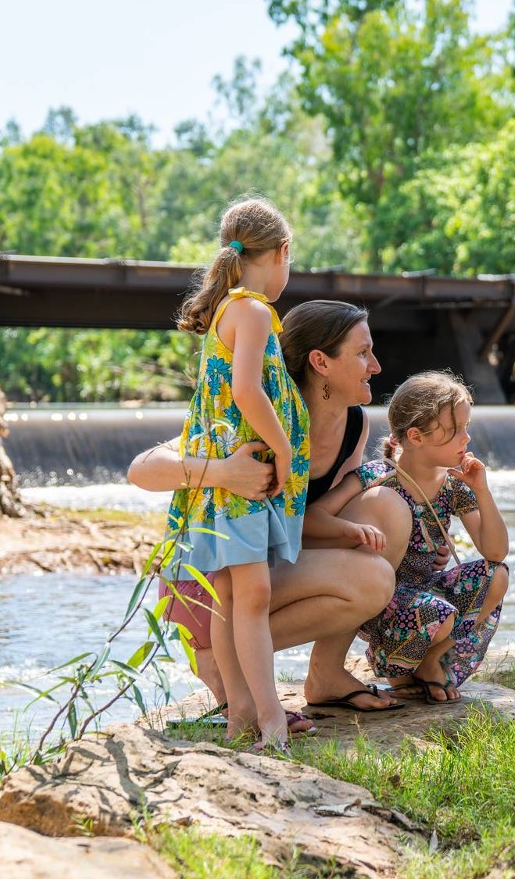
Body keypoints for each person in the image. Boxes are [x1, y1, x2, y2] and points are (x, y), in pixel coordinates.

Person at [128, 300, 406, 724]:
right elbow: (141, 470)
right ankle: (230, 672)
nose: (377, 365)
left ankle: (326, 675)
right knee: (372, 578)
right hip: (209, 587)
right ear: (321, 363)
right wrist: (223, 471)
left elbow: (310, 520)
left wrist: (360, 534)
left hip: (268, 571)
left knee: (387, 510)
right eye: (363, 352)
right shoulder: (257, 416)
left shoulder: (355, 424)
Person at [161, 196, 306, 750]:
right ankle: (271, 720)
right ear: (281, 253)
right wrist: (283, 448)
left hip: (226, 480)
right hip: (242, 477)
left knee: (230, 596)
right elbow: (245, 390)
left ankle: (240, 712)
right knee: (252, 597)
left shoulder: (230, 308)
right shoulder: (250, 310)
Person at [307, 371, 510, 704]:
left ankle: (430, 660)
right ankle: (395, 665)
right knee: (439, 613)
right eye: (456, 430)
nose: (466, 439)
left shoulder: (453, 486)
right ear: (416, 436)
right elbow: (313, 518)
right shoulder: (377, 476)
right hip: (383, 601)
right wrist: (352, 530)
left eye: (466, 427)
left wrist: (482, 491)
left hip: (427, 592)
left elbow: (496, 551)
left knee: (496, 575)